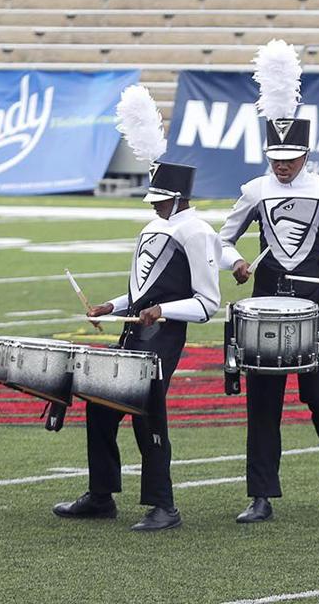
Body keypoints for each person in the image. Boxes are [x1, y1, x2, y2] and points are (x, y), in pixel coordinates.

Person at [54, 161, 221, 531]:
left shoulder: (197, 232)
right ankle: (101, 496)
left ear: (179, 198)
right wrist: (111, 307)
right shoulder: (151, 227)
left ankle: (165, 506)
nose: (153, 205)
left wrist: (163, 310)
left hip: (164, 339)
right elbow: (141, 293)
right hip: (133, 334)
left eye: (160, 199)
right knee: (100, 405)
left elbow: (208, 303)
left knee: (148, 418)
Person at [218, 117, 319, 522]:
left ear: (306, 154)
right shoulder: (255, 190)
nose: (282, 165)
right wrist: (236, 263)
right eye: (275, 158)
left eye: (290, 158)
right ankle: (261, 495)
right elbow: (223, 239)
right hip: (265, 307)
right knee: (263, 401)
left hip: (314, 307)